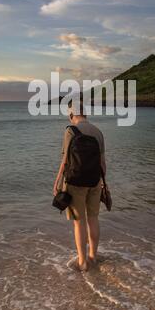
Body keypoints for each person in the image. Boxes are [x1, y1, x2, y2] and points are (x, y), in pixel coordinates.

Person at [53, 98, 106, 272]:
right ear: (86, 113)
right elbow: (102, 163)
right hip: (95, 181)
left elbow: (65, 160)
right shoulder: (98, 132)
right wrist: (105, 184)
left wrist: (58, 182)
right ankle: (93, 256)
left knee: (79, 221)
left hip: (75, 182)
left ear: (71, 115)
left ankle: (82, 262)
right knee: (93, 219)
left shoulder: (70, 131)